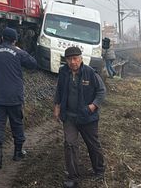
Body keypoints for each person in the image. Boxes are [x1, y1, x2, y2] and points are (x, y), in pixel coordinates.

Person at [0, 27, 37, 169]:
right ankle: (18, 152)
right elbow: (33, 64)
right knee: (16, 123)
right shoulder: (18, 52)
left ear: (1, 38)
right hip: (14, 96)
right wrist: (20, 51)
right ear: (14, 40)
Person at [54, 46, 106, 184]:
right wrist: (57, 106)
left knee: (93, 144)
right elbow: (59, 90)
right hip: (69, 116)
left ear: (81, 59)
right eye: (69, 59)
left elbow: (101, 91)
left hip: (87, 117)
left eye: (75, 58)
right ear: (66, 60)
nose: (72, 62)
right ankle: (73, 177)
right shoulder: (63, 72)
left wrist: (93, 106)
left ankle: (99, 170)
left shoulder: (90, 73)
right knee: (70, 144)